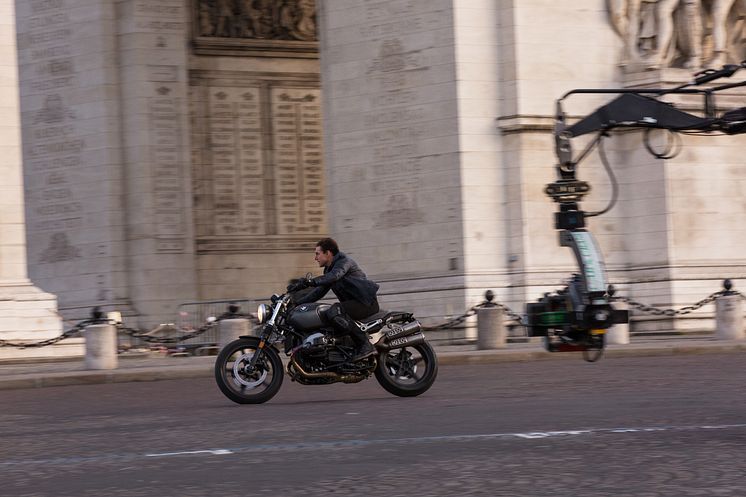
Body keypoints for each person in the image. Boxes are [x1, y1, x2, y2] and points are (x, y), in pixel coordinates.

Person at [287, 238, 380, 361]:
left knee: (335, 310)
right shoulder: (329, 270)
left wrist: (309, 281)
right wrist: (295, 303)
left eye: (317, 254)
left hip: (366, 303)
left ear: (328, 253)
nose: (315, 258)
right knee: (327, 316)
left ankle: (365, 345)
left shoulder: (344, 262)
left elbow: (335, 276)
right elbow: (318, 293)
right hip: (352, 305)